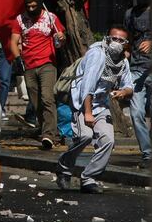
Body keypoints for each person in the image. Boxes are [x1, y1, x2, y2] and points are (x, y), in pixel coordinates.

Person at [56, 25, 134, 193]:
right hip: (82, 102)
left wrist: (124, 92)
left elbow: (129, 85)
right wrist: (88, 113)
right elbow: (87, 86)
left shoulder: (123, 61)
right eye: (114, 39)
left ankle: (88, 178)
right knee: (85, 136)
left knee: (108, 141)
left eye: (121, 40)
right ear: (107, 38)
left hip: (101, 104)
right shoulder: (97, 54)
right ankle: (64, 168)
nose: (117, 43)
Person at [10, 0, 66, 149]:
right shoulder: (20, 19)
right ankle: (47, 130)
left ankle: (48, 134)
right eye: (29, 6)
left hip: (47, 64)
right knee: (35, 102)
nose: (32, 9)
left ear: (40, 5)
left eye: (35, 6)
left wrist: (61, 38)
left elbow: (61, 38)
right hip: (28, 65)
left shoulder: (51, 18)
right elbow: (13, 42)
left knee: (47, 98)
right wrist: (18, 59)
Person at [124, 0, 152, 168]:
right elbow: (128, 38)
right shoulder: (130, 14)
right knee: (136, 113)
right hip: (135, 69)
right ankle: (147, 153)